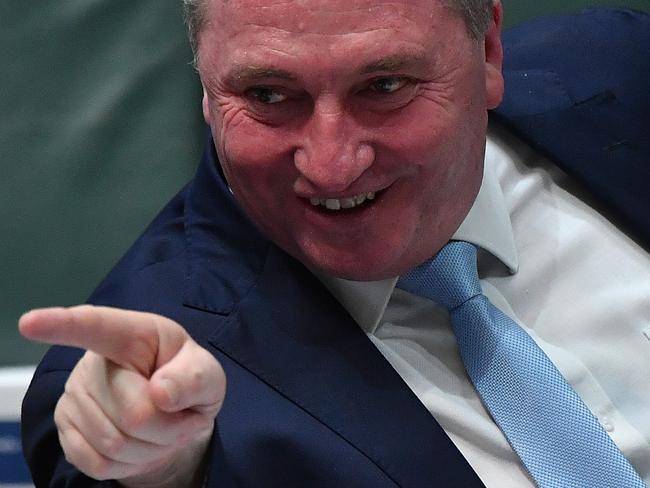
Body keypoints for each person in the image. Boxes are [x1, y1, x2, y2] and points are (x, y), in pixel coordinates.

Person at [19, 0, 650, 487]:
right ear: (207, 92)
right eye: (268, 96)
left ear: (486, 49)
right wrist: (162, 469)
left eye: (384, 87)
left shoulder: (621, 73)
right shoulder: (149, 375)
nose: (331, 166)